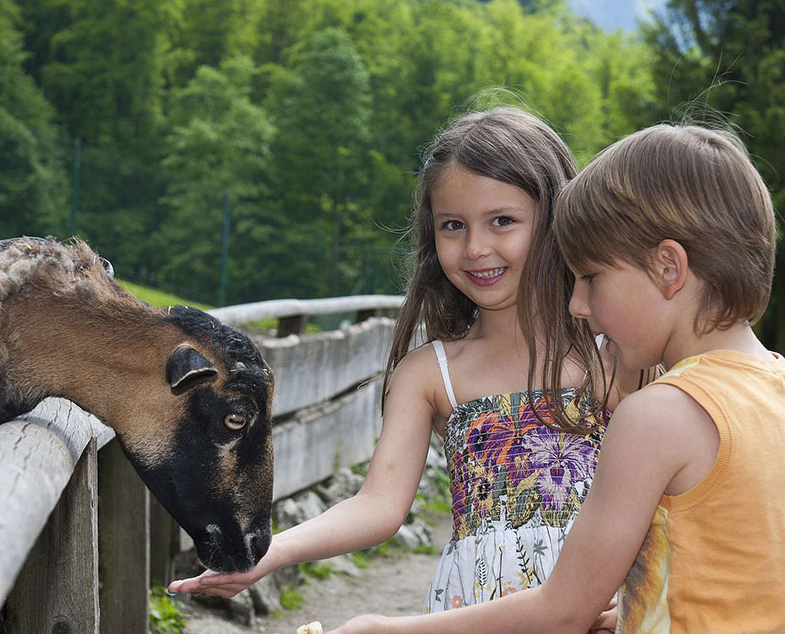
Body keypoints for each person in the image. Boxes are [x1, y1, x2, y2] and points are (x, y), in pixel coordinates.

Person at [169, 106, 636, 616]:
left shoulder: (613, 357)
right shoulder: (428, 374)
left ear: (554, 221)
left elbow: (668, 498)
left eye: (502, 221)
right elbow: (379, 505)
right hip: (472, 613)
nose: (476, 247)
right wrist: (270, 552)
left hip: (605, 605)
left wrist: (638, 595)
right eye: (453, 225)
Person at [325, 122, 785, 633]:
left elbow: (564, 611)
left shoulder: (656, 411)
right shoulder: (771, 392)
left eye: (590, 277)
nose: (577, 302)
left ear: (668, 269)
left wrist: (381, 629)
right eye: (452, 224)